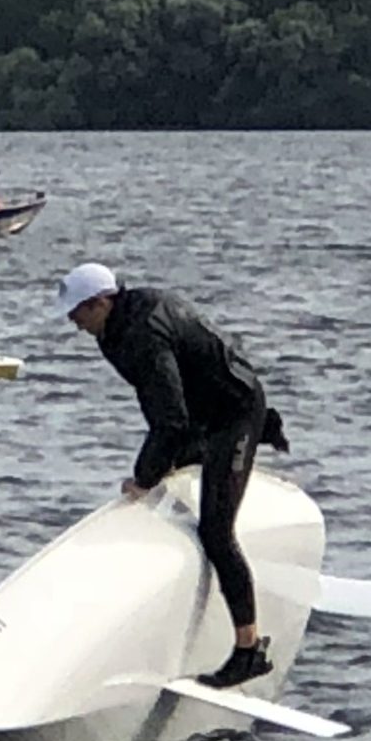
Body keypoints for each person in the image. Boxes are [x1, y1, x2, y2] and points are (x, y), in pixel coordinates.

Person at [49, 262, 292, 688]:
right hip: (202, 413)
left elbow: (170, 421)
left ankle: (249, 650)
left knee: (216, 532)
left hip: (233, 415)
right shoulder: (116, 327)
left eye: (78, 314)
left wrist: (144, 477)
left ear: (102, 302)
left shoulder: (143, 333)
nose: (74, 324)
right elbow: (165, 404)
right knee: (172, 467)